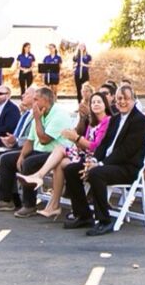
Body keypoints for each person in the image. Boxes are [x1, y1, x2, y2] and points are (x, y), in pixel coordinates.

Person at [62, 85, 145, 235]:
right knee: (71, 169)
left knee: (96, 173)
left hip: (127, 167)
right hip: (106, 163)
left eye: (126, 99)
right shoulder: (115, 119)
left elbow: (126, 151)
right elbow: (103, 145)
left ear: (134, 100)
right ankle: (83, 215)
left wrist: (99, 164)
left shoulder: (140, 120)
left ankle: (104, 220)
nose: (122, 102)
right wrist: (93, 160)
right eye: (119, 98)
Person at [17, 90, 111, 219]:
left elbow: (96, 147)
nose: (95, 104)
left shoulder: (107, 121)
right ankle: (53, 205)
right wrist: (79, 127)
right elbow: (83, 142)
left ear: (105, 105)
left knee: (59, 150)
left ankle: (39, 177)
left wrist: (76, 138)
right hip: (83, 154)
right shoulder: (92, 122)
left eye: (99, 102)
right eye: (93, 102)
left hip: (95, 158)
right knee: (59, 163)